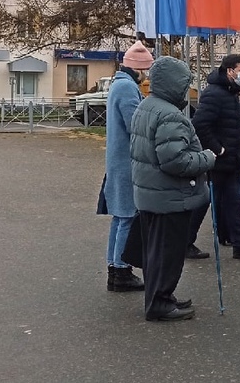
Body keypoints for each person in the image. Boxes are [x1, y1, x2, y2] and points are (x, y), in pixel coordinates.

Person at [130, 56, 216, 321]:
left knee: (156, 252)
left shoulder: (147, 106)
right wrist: (207, 158)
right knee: (167, 254)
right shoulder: (169, 115)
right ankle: (159, 303)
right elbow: (174, 160)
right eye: (184, 84)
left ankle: (161, 296)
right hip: (169, 195)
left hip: (151, 193)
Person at [192, 54, 240, 261]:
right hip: (220, 160)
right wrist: (218, 149)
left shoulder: (234, 91)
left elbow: (235, 123)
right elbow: (200, 124)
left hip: (233, 159)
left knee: (230, 203)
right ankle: (189, 241)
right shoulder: (215, 93)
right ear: (229, 71)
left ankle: (238, 244)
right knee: (209, 201)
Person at [99, 40, 153, 293]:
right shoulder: (127, 88)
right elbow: (135, 126)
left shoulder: (118, 84)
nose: (147, 76)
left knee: (120, 217)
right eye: (146, 70)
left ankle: (114, 267)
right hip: (126, 162)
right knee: (127, 218)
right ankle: (121, 270)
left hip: (118, 161)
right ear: (139, 68)